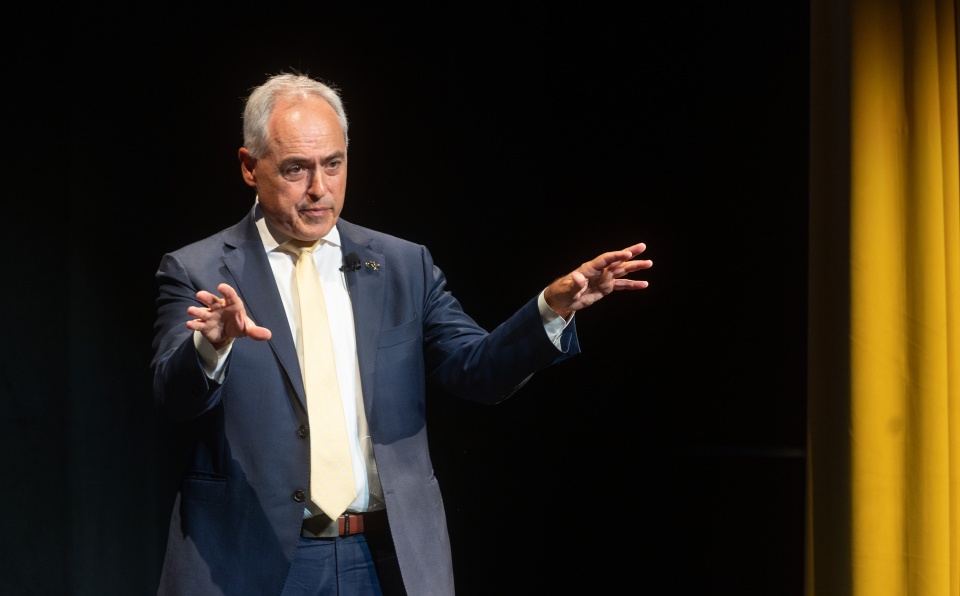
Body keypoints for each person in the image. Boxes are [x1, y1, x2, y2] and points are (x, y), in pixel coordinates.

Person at [151, 71, 652, 596]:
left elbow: (476, 369)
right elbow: (172, 399)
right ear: (250, 167)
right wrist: (213, 344)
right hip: (250, 562)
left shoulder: (401, 265)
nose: (319, 189)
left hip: (384, 559)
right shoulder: (199, 270)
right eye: (296, 169)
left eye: (334, 165)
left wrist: (549, 309)